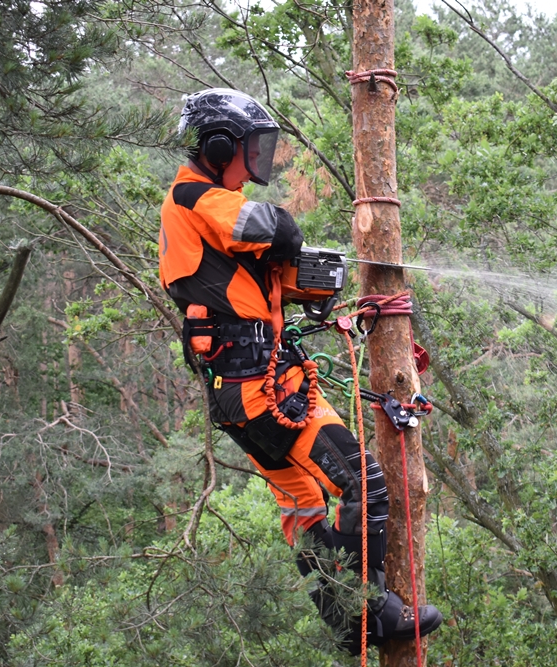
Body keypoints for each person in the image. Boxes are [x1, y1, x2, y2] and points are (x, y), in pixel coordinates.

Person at [158, 88, 442, 654]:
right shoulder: (197, 196)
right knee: (364, 482)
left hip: (243, 392)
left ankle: (342, 618)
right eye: (249, 147)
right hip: (262, 388)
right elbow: (273, 229)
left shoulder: (208, 213)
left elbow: (261, 275)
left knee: (305, 504)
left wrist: (312, 278)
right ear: (218, 146)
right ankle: (373, 612)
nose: (258, 158)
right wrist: (288, 242)